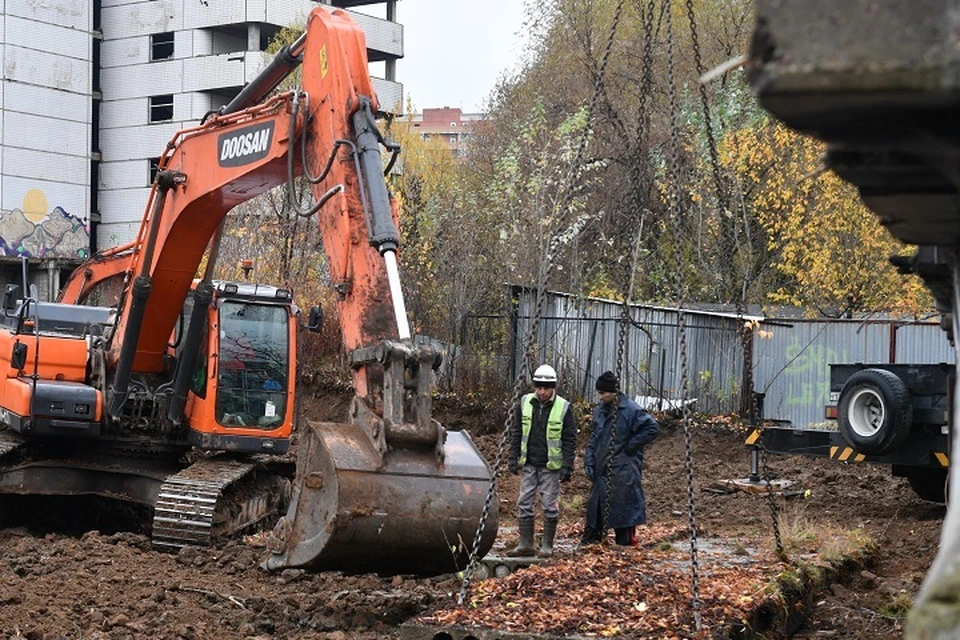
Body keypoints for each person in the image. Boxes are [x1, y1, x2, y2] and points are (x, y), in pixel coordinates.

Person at [581, 370, 660, 546]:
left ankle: (625, 544)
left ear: (613, 392)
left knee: (624, 511)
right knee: (596, 509)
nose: (600, 397)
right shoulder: (600, 410)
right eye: (599, 393)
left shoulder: (631, 410)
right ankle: (591, 542)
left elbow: (652, 428)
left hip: (623, 468)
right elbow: (594, 437)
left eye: (603, 393)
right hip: (602, 466)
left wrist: (631, 445)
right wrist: (589, 459)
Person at [507, 364, 577, 557]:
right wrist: (513, 457)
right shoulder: (525, 402)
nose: (542, 392)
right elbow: (517, 432)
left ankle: (547, 545)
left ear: (553, 388)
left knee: (549, 504)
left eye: (546, 388)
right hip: (529, 463)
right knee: (524, 502)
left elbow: (570, 439)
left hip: (550, 466)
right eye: (539, 388)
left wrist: (567, 466)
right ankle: (526, 543)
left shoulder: (563, 407)